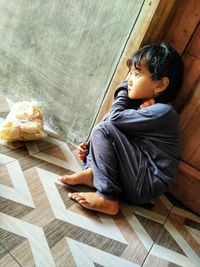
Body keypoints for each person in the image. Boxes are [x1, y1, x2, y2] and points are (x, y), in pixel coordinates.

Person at [59, 43, 184, 215]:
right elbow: (116, 128)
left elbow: (115, 119)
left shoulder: (163, 113)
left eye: (137, 74)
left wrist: (124, 86)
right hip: (134, 176)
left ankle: (107, 197)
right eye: (130, 73)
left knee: (106, 127)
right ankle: (93, 174)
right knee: (106, 125)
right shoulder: (144, 105)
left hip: (145, 184)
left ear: (161, 84)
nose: (130, 79)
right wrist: (91, 150)